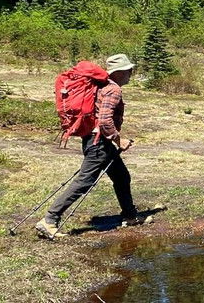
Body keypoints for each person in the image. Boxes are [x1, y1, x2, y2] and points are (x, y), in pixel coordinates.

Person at [35, 54, 141, 239]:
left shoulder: (102, 86)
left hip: (97, 141)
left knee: (122, 177)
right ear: (119, 72)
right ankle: (49, 220)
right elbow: (105, 120)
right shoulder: (113, 90)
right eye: (128, 70)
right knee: (84, 181)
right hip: (99, 143)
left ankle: (130, 216)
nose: (130, 73)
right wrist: (119, 140)